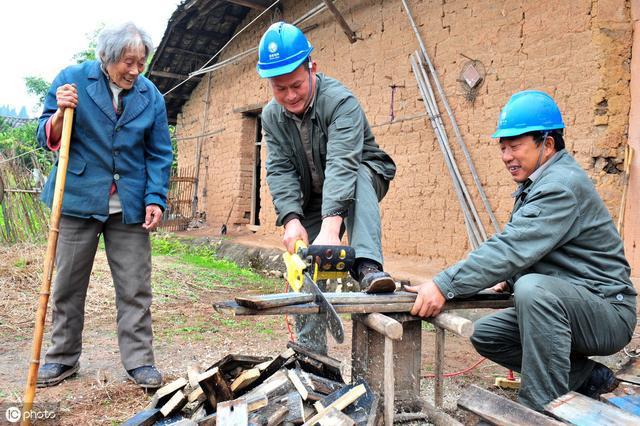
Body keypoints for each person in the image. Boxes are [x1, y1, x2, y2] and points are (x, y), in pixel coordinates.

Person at [407, 90, 637, 411]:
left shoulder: (559, 186)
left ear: (548, 144)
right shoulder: (537, 183)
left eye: (515, 146)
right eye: (502, 147)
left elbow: (512, 247)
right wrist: (508, 280)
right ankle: (586, 377)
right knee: (487, 334)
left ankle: (539, 407)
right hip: (573, 303)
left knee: (534, 291)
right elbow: (532, 245)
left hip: (607, 312)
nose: (506, 156)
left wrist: (443, 285)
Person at [35, 22, 173, 389]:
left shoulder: (150, 96)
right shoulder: (73, 80)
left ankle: (140, 361)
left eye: (141, 63)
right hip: (79, 197)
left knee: (135, 286)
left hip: (128, 204)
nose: (135, 71)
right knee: (66, 284)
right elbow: (44, 134)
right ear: (107, 58)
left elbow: (160, 153)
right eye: (128, 62)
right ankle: (62, 358)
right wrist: (60, 114)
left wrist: (156, 198)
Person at [256, 22, 397, 354]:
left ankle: (367, 266)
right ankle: (312, 358)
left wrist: (332, 230)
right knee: (307, 264)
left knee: (359, 173)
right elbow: (279, 170)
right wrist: (291, 220)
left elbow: (343, 162)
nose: (289, 96)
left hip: (362, 175)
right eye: (280, 89)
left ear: (312, 68)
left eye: (296, 85)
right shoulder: (271, 116)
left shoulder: (341, 102)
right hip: (312, 197)